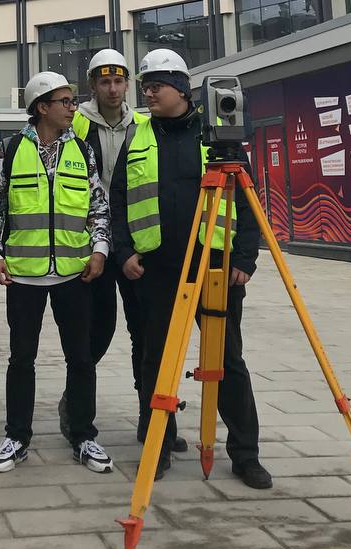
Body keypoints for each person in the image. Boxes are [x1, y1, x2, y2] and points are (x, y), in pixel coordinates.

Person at [110, 48, 272, 488]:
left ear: (181, 89)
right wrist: (124, 251)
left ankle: (245, 454)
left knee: (227, 360)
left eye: (154, 86)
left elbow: (246, 199)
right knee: (156, 360)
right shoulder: (138, 135)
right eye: (144, 86)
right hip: (158, 270)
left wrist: (244, 257)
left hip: (215, 270)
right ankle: (158, 445)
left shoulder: (217, 137)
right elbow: (119, 198)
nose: (147, 93)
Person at [0, 71, 114, 475]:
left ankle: (83, 435)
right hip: (23, 275)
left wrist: (100, 248)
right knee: (22, 358)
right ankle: (17, 436)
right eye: (66, 102)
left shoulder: (85, 151)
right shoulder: (9, 148)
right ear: (42, 107)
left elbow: (98, 205)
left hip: (75, 274)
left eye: (73, 102)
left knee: (81, 359)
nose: (74, 108)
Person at [66, 49, 187, 454]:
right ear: (93, 85)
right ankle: (76, 407)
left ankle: (150, 416)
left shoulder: (143, 123)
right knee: (95, 332)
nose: (113, 89)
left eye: (120, 82)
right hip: (95, 244)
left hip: (137, 244)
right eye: (105, 82)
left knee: (146, 334)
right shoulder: (77, 123)